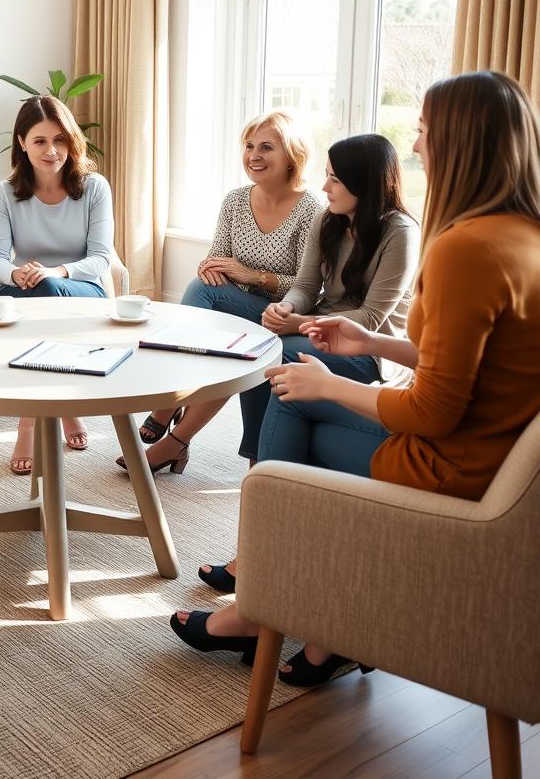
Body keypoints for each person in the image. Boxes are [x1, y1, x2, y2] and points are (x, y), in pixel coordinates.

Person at [170, 71, 540, 689]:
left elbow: (432, 414)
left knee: (293, 401)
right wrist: (371, 342)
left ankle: (261, 605)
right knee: (295, 388)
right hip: (500, 459)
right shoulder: (523, 235)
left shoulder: (461, 248)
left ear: (462, 142)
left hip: (452, 465)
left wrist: (333, 386)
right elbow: (470, 363)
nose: (417, 147)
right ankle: (319, 625)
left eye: (424, 130)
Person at [190, 132, 419, 594]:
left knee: (277, 355)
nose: (326, 186)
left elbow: (371, 318)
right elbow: (305, 284)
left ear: (365, 183)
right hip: (315, 329)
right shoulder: (329, 220)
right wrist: (286, 309)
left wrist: (294, 326)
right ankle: (259, 479)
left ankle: (257, 501)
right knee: (263, 342)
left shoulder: (400, 232)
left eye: (335, 178)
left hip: (368, 352)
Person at [123, 111, 319, 473]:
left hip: (283, 311)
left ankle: (171, 418)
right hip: (236, 304)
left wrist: (253, 275)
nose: (254, 156)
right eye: (248, 146)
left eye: (266, 147)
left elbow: (310, 284)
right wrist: (210, 266)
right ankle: (180, 430)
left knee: (240, 342)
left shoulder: (311, 210)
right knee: (204, 290)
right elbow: (216, 257)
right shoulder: (235, 200)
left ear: (292, 154)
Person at [0, 95, 114, 474]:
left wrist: (56, 273)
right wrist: (16, 273)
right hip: (23, 289)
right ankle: (65, 410)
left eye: (60, 140)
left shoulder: (94, 188)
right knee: (34, 296)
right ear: (22, 143)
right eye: (40, 141)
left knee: (45, 291)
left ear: (71, 141)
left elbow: (101, 259)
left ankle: (28, 423)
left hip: (81, 290)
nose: (51, 150)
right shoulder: (5, 193)